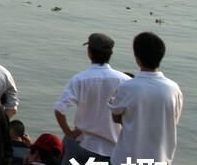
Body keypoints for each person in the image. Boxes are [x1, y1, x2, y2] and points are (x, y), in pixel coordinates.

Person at [53, 32, 130, 165]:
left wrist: (69, 132)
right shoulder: (125, 81)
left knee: (68, 142)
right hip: (113, 148)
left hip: (82, 144)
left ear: (89, 52)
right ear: (110, 54)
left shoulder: (80, 79)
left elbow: (59, 110)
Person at [108, 32, 183, 165]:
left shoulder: (127, 87)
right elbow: (173, 119)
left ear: (137, 58)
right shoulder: (174, 88)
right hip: (160, 159)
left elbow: (116, 117)